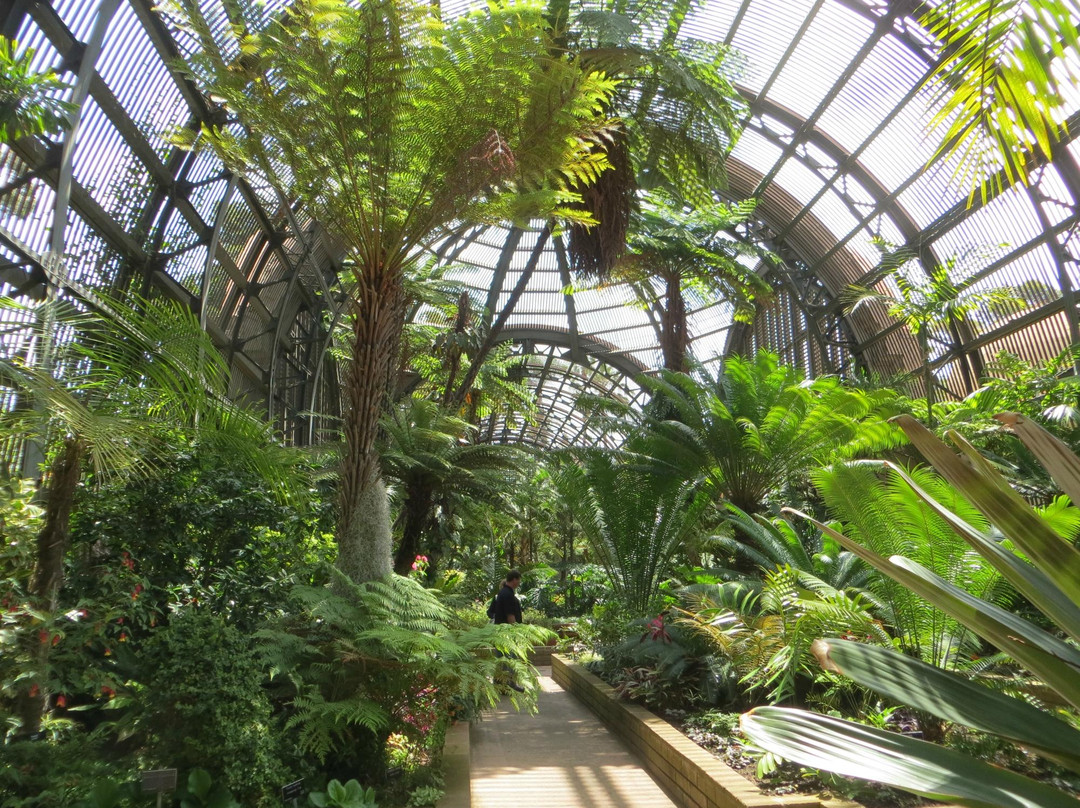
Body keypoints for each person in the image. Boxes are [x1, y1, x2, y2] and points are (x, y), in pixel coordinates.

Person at [492, 570, 525, 692]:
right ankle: (509, 684)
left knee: (502, 658)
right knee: (509, 659)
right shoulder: (508, 595)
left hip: (500, 632)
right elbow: (510, 615)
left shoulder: (503, 593)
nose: (519, 583)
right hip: (506, 633)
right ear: (514, 579)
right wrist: (515, 631)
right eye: (518, 580)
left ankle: (500, 684)